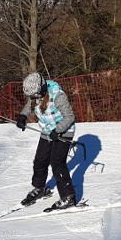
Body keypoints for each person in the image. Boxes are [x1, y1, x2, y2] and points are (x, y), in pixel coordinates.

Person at [15, 72, 78, 209]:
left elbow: (69, 117)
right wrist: (22, 117)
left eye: (35, 96)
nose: (34, 98)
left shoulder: (58, 95)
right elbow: (29, 105)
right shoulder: (35, 93)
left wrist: (58, 130)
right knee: (40, 160)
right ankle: (39, 188)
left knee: (57, 162)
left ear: (41, 89)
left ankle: (68, 197)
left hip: (64, 130)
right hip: (47, 130)